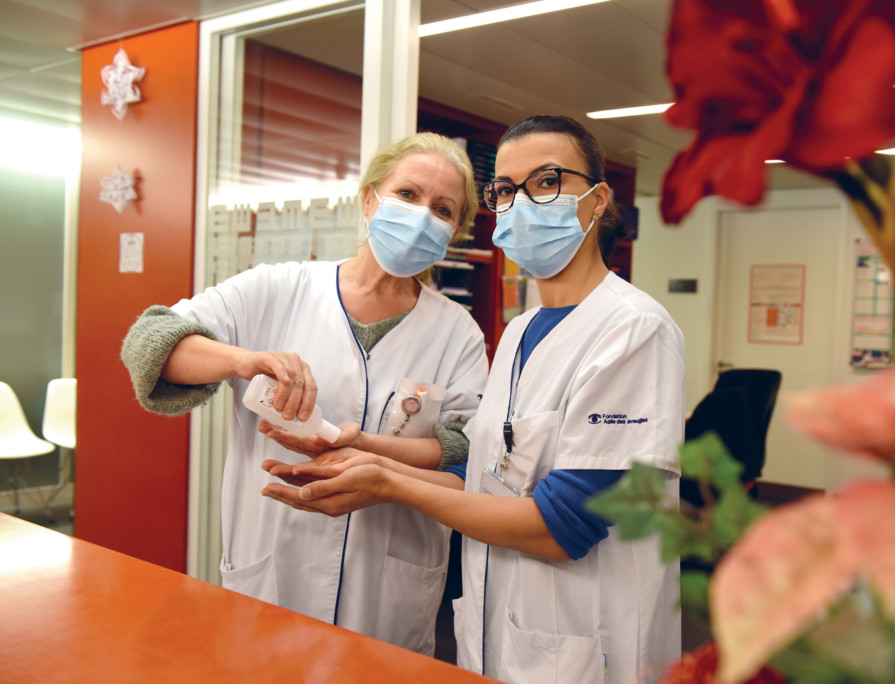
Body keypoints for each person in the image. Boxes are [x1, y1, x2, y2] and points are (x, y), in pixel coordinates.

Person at [263, 115, 685, 682]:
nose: (521, 203)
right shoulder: (517, 332)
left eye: (547, 181)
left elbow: (562, 526)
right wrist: (369, 458)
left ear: (597, 200)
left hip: (589, 646)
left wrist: (388, 484)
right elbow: (482, 479)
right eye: (505, 190)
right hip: (499, 635)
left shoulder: (633, 329)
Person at [119, 132, 489, 656]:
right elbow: (149, 342)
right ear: (370, 199)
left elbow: (461, 449)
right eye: (407, 195)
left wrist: (372, 455)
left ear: (453, 231)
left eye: (443, 209)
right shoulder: (280, 287)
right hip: (273, 565)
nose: (422, 215)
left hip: (388, 587)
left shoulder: (458, 333)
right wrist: (243, 360)